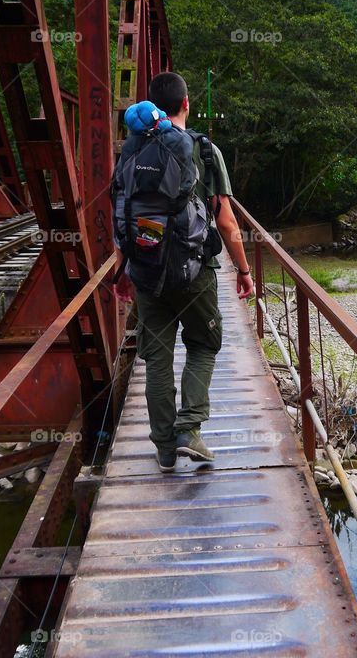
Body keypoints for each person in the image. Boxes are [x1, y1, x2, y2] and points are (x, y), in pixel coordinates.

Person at [114, 71, 254, 473]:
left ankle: (163, 448)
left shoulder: (132, 150)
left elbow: (122, 211)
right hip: (196, 272)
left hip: (145, 269)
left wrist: (125, 268)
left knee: (156, 357)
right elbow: (226, 222)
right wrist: (243, 269)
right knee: (204, 344)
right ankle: (189, 430)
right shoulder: (205, 151)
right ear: (187, 104)